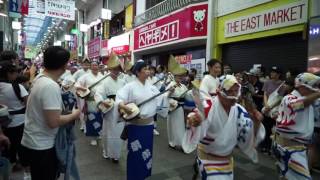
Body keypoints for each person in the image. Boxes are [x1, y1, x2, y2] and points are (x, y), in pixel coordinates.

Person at [185, 75, 265, 180]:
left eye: (236, 91)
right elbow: (198, 115)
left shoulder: (239, 110)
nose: (234, 95)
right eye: (229, 91)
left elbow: (248, 136)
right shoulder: (209, 105)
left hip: (227, 162)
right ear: (219, 91)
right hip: (207, 160)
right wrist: (194, 121)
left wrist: (256, 122)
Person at [20, 46, 80, 180]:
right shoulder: (50, 86)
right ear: (63, 65)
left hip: (33, 141)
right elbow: (54, 122)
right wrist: (74, 114)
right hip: (42, 146)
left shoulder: (40, 78)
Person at [116, 60, 169, 180]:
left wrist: (168, 94)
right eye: (145, 69)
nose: (148, 71)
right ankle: (134, 176)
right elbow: (119, 98)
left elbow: (160, 99)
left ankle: (145, 174)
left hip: (149, 125)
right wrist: (123, 105)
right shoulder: (130, 86)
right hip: (135, 125)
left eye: (148, 69)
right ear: (138, 72)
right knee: (135, 153)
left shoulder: (151, 87)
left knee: (147, 151)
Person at [274, 72, 320, 180]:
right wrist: (317, 94)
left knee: (286, 176)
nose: (314, 89)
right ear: (302, 87)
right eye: (313, 87)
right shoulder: (289, 98)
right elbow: (297, 105)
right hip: (288, 148)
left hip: (295, 147)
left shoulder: (309, 100)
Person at [95, 53, 125, 163]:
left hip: (120, 110)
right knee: (108, 132)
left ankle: (116, 154)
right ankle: (107, 151)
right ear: (110, 69)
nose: (116, 71)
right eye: (114, 69)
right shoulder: (105, 82)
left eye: (118, 69)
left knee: (118, 133)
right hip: (110, 110)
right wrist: (102, 101)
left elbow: (126, 95)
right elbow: (98, 94)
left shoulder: (122, 82)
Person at [0, 64, 28, 173]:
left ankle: (7, 165)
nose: (17, 74)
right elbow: (28, 103)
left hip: (3, 122)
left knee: (6, 145)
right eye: (15, 72)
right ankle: (20, 164)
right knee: (20, 144)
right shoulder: (17, 87)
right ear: (9, 74)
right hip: (19, 120)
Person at [75, 59, 103, 146]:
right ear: (91, 67)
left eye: (96, 65)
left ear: (98, 66)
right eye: (93, 65)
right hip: (91, 100)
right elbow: (77, 84)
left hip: (101, 100)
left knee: (100, 118)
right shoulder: (86, 76)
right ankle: (92, 137)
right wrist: (83, 88)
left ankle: (98, 133)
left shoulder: (102, 76)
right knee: (92, 118)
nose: (95, 67)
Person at [166, 55, 188, 150]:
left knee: (180, 126)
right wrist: (170, 93)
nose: (180, 78)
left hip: (181, 108)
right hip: (173, 108)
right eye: (178, 76)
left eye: (181, 76)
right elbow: (165, 96)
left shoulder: (183, 86)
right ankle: (173, 142)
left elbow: (187, 95)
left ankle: (180, 142)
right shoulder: (171, 84)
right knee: (173, 125)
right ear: (174, 76)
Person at [261, 66, 283, 153]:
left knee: (274, 129)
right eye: (271, 72)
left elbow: (280, 99)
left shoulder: (282, 84)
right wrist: (266, 105)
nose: (271, 74)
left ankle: (272, 148)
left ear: (279, 74)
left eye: (274, 72)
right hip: (266, 108)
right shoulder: (267, 82)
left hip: (275, 110)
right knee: (265, 127)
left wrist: (270, 107)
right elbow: (265, 94)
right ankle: (264, 146)